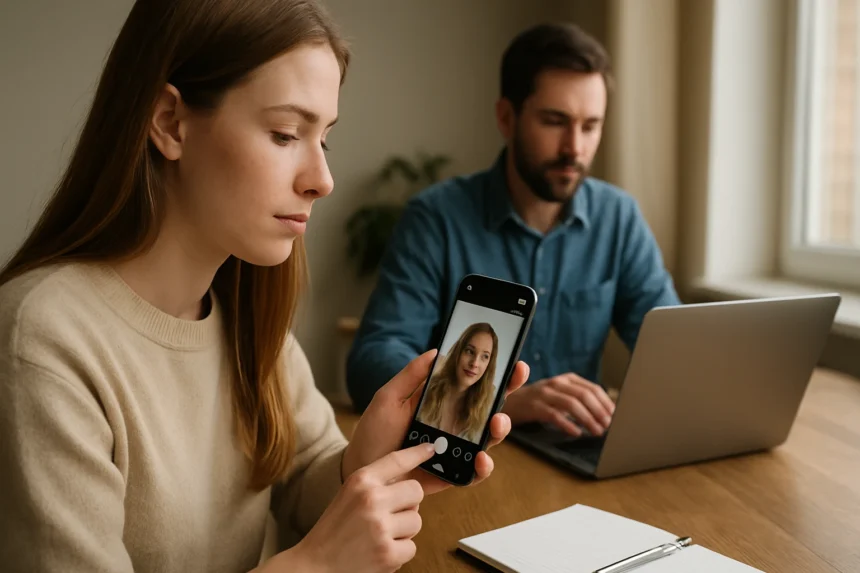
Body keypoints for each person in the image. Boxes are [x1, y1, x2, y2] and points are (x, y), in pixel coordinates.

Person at [0, 1, 529, 572]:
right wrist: (316, 566)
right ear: (170, 123)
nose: (322, 180)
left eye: (323, 139)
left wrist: (361, 465)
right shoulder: (43, 343)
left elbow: (301, 475)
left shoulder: (244, 313)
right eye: (284, 134)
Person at [347, 22, 680, 438]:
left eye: (590, 126)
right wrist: (495, 403)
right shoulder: (435, 220)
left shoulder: (619, 218)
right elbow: (372, 361)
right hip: (463, 457)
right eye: (555, 121)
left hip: (574, 455)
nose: (574, 148)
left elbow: (674, 351)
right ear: (507, 117)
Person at [416, 323, 499, 443]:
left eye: (484, 356)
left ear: (489, 364)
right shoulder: (428, 386)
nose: (475, 363)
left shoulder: (488, 407)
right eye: (470, 351)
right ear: (458, 352)